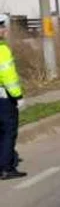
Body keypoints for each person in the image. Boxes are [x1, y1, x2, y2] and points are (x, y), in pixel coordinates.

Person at [0, 14, 27, 180]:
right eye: (2, 27)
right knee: (8, 132)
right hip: (4, 99)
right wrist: (18, 96)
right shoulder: (2, 50)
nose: (4, 30)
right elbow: (8, 76)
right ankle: (6, 167)